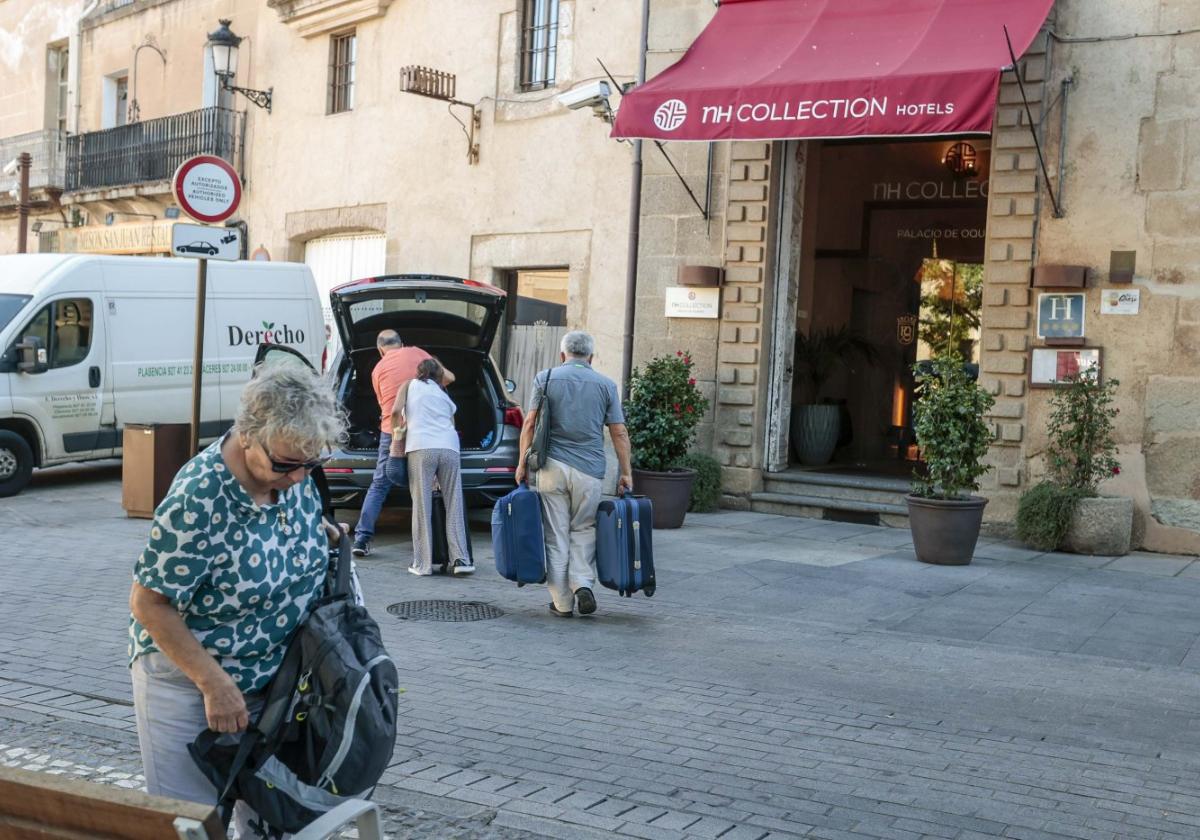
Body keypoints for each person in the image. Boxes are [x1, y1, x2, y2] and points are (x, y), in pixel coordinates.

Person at [127, 364, 347, 836]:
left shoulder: (293, 464)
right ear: (247, 436)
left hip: (274, 682)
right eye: (285, 466)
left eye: (311, 464)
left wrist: (318, 535)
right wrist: (214, 684)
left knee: (270, 819)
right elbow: (149, 604)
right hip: (191, 685)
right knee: (193, 827)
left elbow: (285, 521)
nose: (297, 478)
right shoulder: (200, 498)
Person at [515, 331, 632, 617]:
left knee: (556, 536)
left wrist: (521, 463)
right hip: (590, 471)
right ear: (591, 357)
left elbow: (530, 423)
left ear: (562, 355)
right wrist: (626, 472)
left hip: (551, 467)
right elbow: (618, 431)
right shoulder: (606, 385)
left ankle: (562, 603)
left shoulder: (545, 378)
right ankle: (582, 584)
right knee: (583, 528)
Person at [352, 329, 453, 557]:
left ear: (380, 350)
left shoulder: (378, 369)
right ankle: (435, 539)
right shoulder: (418, 353)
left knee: (379, 484)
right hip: (424, 429)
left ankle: (362, 539)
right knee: (428, 482)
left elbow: (384, 406)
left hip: (393, 430)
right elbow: (446, 379)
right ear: (402, 343)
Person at [398, 357, 474, 576]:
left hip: (421, 446)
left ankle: (422, 564)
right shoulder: (443, 393)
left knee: (422, 507)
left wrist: (397, 433)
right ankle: (461, 560)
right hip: (449, 447)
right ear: (439, 375)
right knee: (454, 504)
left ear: (418, 372)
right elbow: (452, 423)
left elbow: (395, 412)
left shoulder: (409, 385)